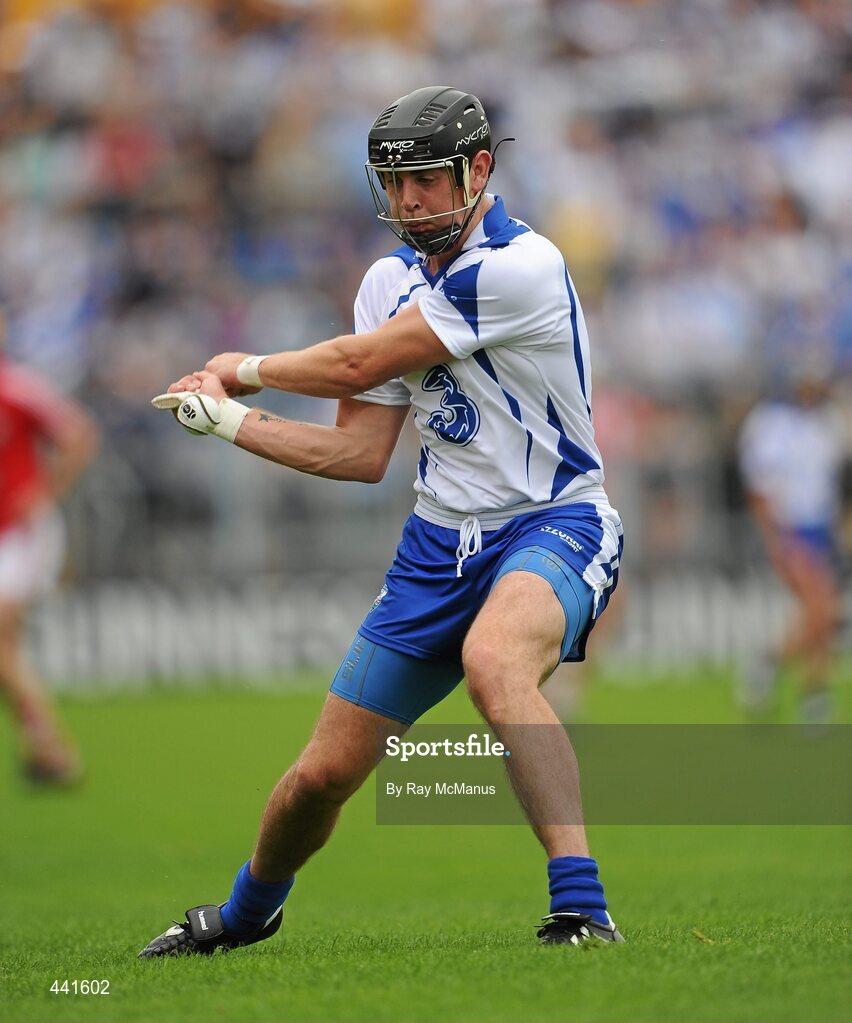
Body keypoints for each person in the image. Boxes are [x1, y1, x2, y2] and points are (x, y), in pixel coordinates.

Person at [139, 86, 625, 956]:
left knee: (494, 661)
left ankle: (583, 908)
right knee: (321, 776)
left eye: (427, 182)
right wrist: (225, 423)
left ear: (479, 170)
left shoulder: (522, 265)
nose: (407, 204)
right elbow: (358, 455)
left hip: (555, 520)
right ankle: (245, 915)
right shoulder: (386, 280)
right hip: (435, 551)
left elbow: (361, 360)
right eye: (393, 184)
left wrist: (244, 371)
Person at [0, 338, 99, 783]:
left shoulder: (15, 387)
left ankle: (51, 748)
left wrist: (44, 490)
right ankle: (42, 746)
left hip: (21, 534)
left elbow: (78, 434)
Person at [737, 374, 844, 723]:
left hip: (820, 529)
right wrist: (775, 536)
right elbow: (760, 486)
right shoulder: (770, 423)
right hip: (791, 529)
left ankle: (809, 691)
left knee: (821, 614)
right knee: (821, 606)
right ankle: (775, 670)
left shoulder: (827, 422)